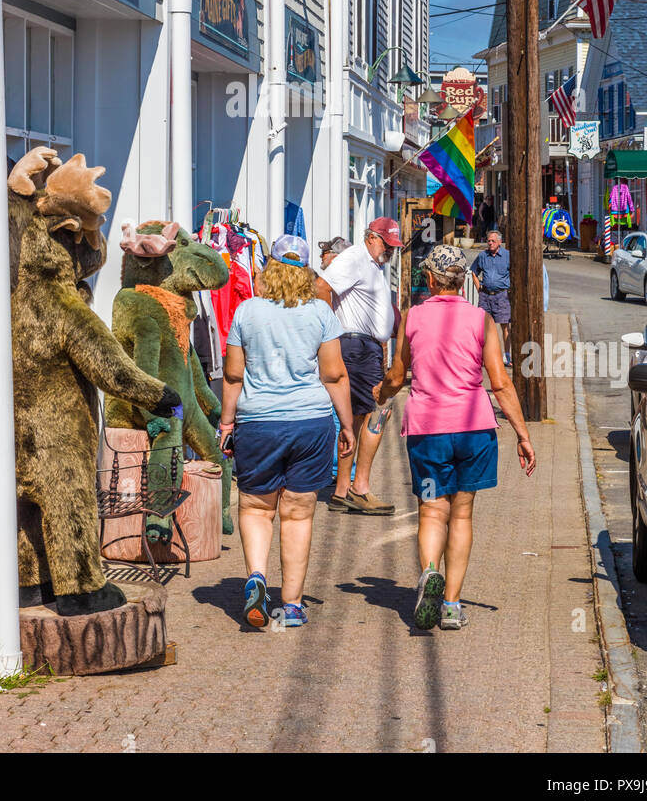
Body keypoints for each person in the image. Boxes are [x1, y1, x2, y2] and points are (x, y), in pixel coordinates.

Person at [377, 243, 536, 631]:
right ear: (463, 281)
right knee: (462, 514)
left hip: (428, 431)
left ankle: (430, 572)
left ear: (429, 280)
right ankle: (450, 604)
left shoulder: (412, 317)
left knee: (432, 511)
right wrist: (523, 434)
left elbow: (397, 377)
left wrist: (379, 398)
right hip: (474, 430)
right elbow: (500, 384)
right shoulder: (483, 320)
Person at [220, 235, 354, 630]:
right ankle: (291, 604)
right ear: (308, 272)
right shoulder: (321, 313)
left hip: (258, 423)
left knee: (256, 508)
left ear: (269, 269)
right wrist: (346, 424)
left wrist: (227, 424)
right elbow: (333, 374)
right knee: (297, 514)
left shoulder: (246, 312)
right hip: (309, 423)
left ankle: (257, 577)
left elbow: (232, 375)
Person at [320, 217, 401, 515]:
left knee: (353, 420)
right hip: (354, 346)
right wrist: (328, 334)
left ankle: (342, 490)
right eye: (386, 243)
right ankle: (360, 488)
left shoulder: (373, 266)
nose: (390, 250)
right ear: (370, 237)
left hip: (365, 348)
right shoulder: (355, 256)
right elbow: (322, 286)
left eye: (394, 246)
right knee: (378, 413)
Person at [470, 229, 512, 365]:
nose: (490, 243)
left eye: (493, 241)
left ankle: (507, 356)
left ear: (500, 242)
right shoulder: (483, 256)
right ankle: (483, 356)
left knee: (505, 326)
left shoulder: (507, 256)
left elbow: (515, 273)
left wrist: (511, 290)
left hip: (501, 296)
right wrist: (478, 288)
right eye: (488, 241)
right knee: (483, 327)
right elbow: (474, 272)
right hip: (485, 296)